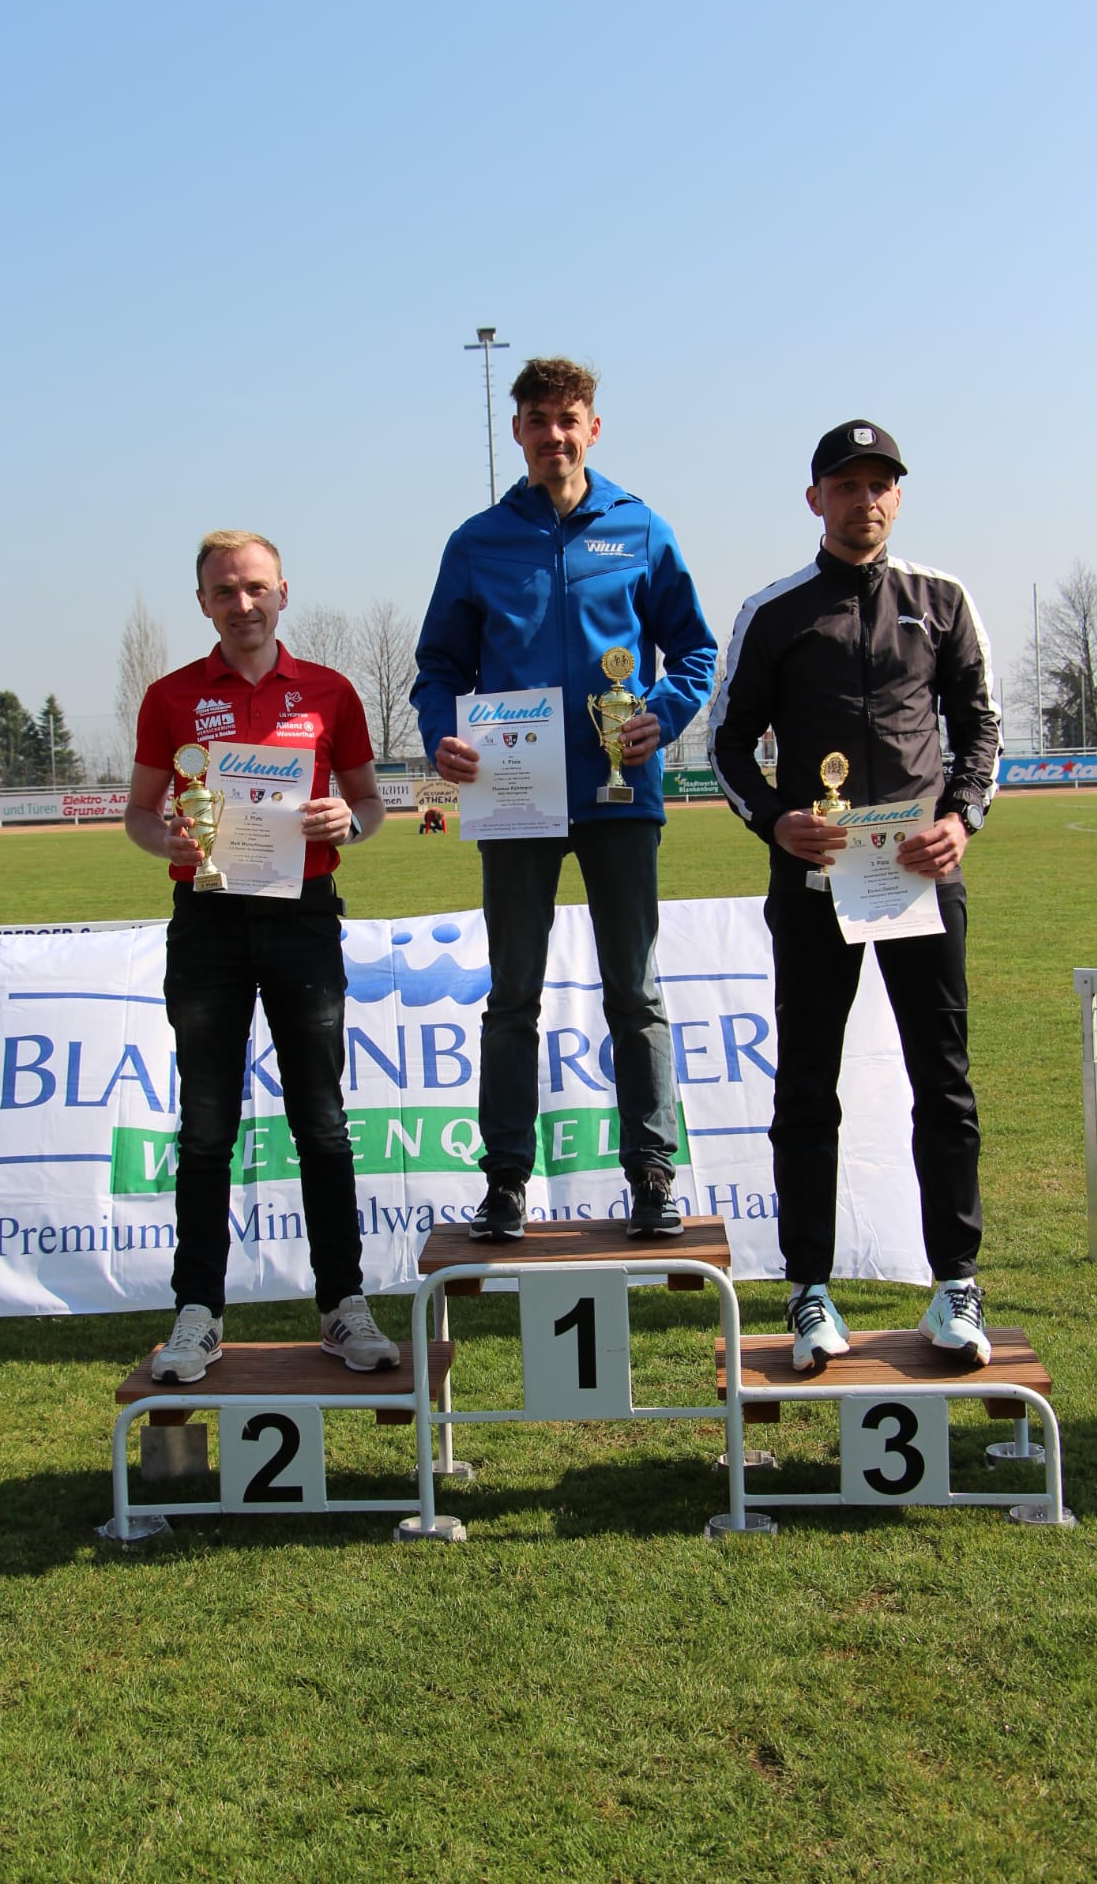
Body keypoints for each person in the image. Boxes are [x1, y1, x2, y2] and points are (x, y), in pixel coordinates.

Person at [710, 421, 1001, 1371]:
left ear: (897, 497)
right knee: (806, 1086)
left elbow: (981, 726)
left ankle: (955, 1285)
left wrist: (961, 818)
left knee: (942, 1082)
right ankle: (808, 1288)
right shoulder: (773, 610)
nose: (863, 500)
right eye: (845, 485)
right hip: (814, 878)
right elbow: (724, 743)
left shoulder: (941, 599)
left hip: (921, 876)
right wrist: (775, 820)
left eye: (879, 484)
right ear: (815, 500)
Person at [410, 356, 716, 1242]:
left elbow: (694, 651)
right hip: (515, 799)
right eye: (538, 419)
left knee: (636, 993)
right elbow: (438, 668)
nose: (554, 434)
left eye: (568, 418)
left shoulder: (641, 527)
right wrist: (441, 735)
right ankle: (505, 1181)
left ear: (593, 428)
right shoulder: (476, 541)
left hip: (621, 795)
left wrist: (660, 713)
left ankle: (651, 1175)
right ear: (517, 431)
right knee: (512, 997)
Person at [125, 530, 399, 1382]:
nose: (241, 604)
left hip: (302, 919)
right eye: (223, 591)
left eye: (254, 588)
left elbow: (368, 802)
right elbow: (138, 813)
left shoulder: (331, 691)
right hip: (206, 921)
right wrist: (168, 838)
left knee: (322, 1121)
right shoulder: (169, 696)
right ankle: (198, 1312)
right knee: (206, 1127)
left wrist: (347, 821)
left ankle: (342, 1303)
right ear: (202, 604)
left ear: (283, 592)